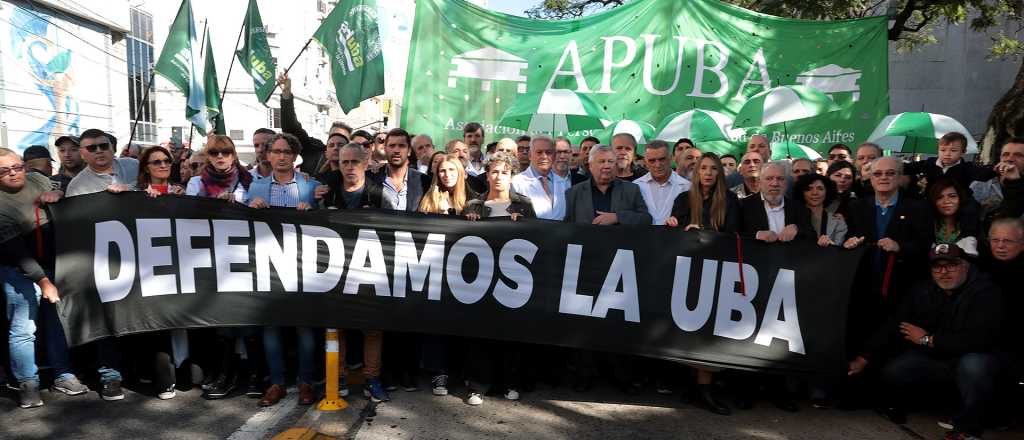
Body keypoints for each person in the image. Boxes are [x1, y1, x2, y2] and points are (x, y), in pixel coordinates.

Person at [848, 243, 1003, 440]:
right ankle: (920, 405)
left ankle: (969, 427)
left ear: (965, 266)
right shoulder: (922, 289)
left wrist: (927, 339)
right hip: (938, 359)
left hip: (973, 358)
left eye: (951, 265)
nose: (944, 272)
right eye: (937, 267)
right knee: (896, 370)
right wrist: (864, 357)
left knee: (975, 365)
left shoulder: (985, 291)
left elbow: (979, 340)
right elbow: (894, 324)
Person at [0, 148, 90, 408]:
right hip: (15, 266)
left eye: (17, 167)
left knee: (58, 320)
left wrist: (58, 193)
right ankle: (28, 382)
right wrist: (44, 282)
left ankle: (63, 374)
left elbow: (60, 190)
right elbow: (17, 252)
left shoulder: (37, 179)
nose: (14, 173)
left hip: (51, 261)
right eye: (5, 170)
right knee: (24, 325)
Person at [842, 156, 933, 402]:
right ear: (869, 179)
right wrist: (849, 243)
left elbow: (926, 247)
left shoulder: (918, 208)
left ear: (900, 177)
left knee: (892, 343)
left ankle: (889, 399)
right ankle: (858, 395)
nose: (884, 178)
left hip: (900, 289)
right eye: (878, 174)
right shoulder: (857, 207)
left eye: (890, 173)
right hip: (864, 287)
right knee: (863, 338)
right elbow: (849, 238)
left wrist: (900, 247)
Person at [246, 133, 321, 407]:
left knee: (304, 326)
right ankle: (276, 382)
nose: (281, 156)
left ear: (294, 155)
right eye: (275, 151)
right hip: (269, 266)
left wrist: (312, 208)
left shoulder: (312, 187)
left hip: (304, 267)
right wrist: (249, 208)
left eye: (286, 151)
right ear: (267, 155)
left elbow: (328, 221)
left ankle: (306, 383)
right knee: (272, 326)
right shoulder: (255, 189)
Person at [459, 152, 535, 406]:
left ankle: (511, 383)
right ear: (486, 174)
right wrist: (468, 224)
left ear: (512, 175)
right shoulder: (473, 205)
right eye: (494, 171)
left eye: (504, 172)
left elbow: (538, 239)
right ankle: (477, 386)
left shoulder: (523, 204)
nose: (498, 176)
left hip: (513, 281)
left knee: (511, 333)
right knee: (479, 334)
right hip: (480, 280)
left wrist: (523, 225)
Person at [319, 142, 389, 401]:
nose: (349, 167)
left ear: (366, 163)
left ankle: (372, 379)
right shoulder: (326, 192)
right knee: (336, 325)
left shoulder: (380, 194)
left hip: (369, 270)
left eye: (354, 162)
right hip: (333, 270)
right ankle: (337, 377)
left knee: (372, 328)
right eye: (344, 162)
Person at [278, 72, 352, 175]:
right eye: (332, 139)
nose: (336, 146)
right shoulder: (313, 149)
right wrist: (286, 95)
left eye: (341, 142)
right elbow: (291, 129)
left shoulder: (357, 167)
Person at [565, 144, 652, 225]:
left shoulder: (631, 189)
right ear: (591, 166)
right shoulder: (574, 193)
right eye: (602, 161)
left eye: (610, 161)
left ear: (616, 165)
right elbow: (568, 226)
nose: (607, 166)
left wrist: (617, 217)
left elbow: (646, 219)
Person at [739, 161, 814, 243]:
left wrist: (797, 229)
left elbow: (812, 236)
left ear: (786, 183)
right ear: (759, 182)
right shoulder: (743, 206)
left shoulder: (799, 208)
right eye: (769, 178)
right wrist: (756, 235)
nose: (775, 183)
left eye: (780, 179)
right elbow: (733, 236)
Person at [903, 132, 996, 196]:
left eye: (953, 150)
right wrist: (895, 165)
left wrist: (996, 169)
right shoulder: (930, 163)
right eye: (943, 150)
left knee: (971, 209)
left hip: (960, 202)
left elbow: (982, 174)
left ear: (963, 152)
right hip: (933, 200)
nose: (947, 154)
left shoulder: (966, 167)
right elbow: (910, 167)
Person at [65, 129, 139, 197]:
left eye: (104, 146)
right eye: (92, 148)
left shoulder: (135, 165)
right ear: (81, 154)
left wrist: (129, 187)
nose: (99, 151)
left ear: (112, 148)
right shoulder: (76, 187)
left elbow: (148, 185)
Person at [372, 128, 431, 212]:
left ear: (409, 151)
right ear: (385, 149)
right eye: (392, 146)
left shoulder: (423, 181)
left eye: (401, 146)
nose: (396, 150)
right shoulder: (370, 178)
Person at [511, 136, 568, 220]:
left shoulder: (565, 182)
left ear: (554, 156)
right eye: (539, 152)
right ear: (530, 155)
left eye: (548, 152)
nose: (544, 156)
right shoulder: (516, 183)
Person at [635, 140, 690, 225]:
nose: (658, 165)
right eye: (652, 161)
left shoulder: (687, 186)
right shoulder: (636, 186)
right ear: (645, 162)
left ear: (670, 158)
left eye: (662, 159)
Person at [971, 138, 1023, 222]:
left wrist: (1014, 182)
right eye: (1005, 154)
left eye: (1018, 155)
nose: (1010, 159)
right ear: (1000, 158)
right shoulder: (981, 184)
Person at [185, 136, 252, 202]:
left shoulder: (248, 180)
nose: (220, 156)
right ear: (208, 157)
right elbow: (193, 209)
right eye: (214, 153)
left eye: (225, 152)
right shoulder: (196, 182)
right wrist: (216, 200)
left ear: (233, 156)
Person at [793, 173, 847, 247]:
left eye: (820, 188)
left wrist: (831, 245)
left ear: (827, 192)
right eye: (809, 189)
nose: (815, 193)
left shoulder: (838, 221)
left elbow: (840, 249)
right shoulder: (792, 216)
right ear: (802, 192)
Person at [928, 178, 980, 255]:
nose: (946, 201)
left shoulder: (971, 224)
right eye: (940, 197)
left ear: (960, 199)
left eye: (952, 196)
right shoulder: (927, 224)